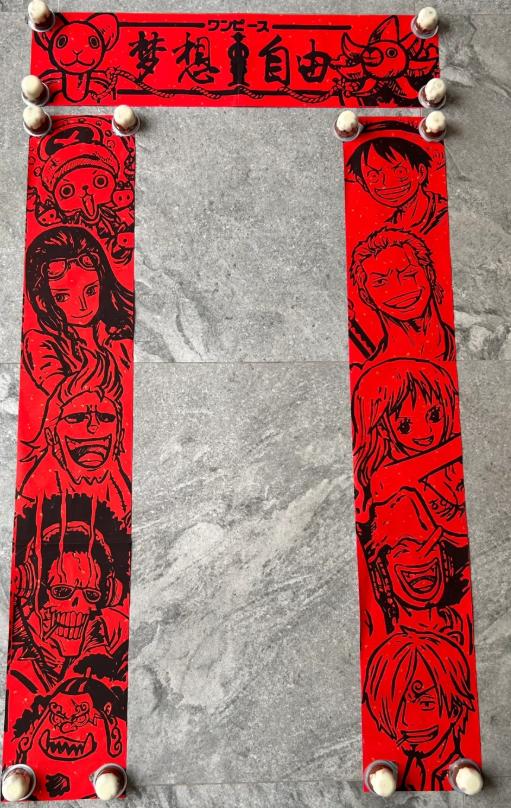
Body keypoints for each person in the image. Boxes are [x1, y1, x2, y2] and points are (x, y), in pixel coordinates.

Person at [351, 357, 467, 538]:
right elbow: (385, 480)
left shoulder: (451, 463)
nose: (426, 432)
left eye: (434, 415)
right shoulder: (384, 475)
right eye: (405, 425)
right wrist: (451, 450)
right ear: (383, 429)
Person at [23, 225, 133, 396]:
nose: (82, 305)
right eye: (62, 297)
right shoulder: (40, 342)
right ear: (42, 302)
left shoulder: (117, 334)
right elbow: (61, 397)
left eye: (91, 291)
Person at [364, 629, 475, 790]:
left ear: (455, 709)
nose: (406, 721)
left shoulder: (461, 774)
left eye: (426, 704)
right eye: (396, 706)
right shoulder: (399, 776)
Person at [350, 228, 455, 362]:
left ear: (429, 274)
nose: (399, 288)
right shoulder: (371, 371)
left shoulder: (467, 344)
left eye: (409, 273)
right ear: (366, 297)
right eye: (380, 281)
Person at [347, 134, 447, 234]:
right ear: (363, 183)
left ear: (421, 172)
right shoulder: (390, 227)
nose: (387, 182)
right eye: (374, 176)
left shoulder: (443, 214)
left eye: (400, 171)